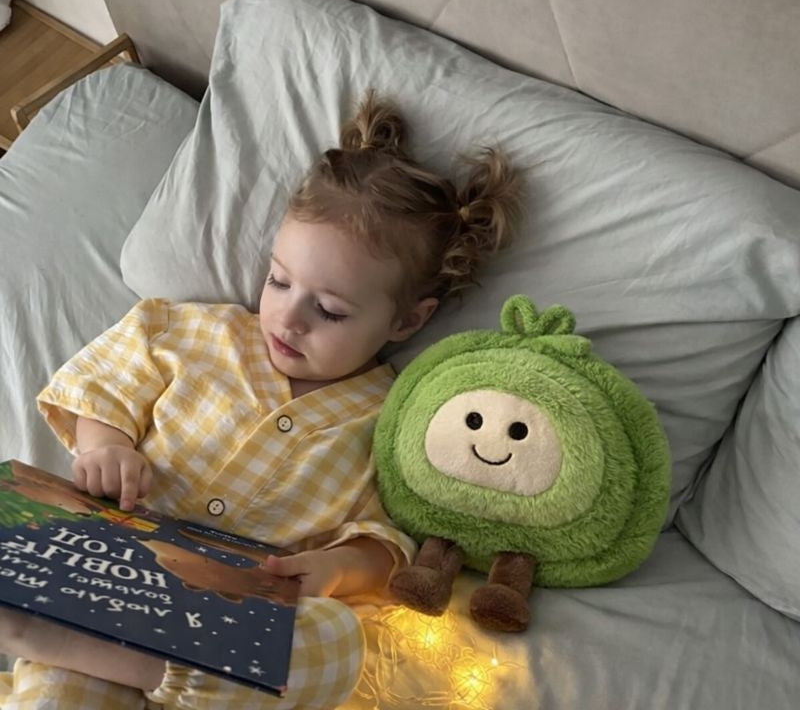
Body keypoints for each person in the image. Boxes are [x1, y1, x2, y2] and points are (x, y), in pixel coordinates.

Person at [0, 90, 521, 710]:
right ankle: (72, 646)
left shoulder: (395, 420)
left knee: (338, 642)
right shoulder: (194, 332)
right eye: (278, 280)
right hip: (116, 592)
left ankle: (134, 665)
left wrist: (340, 569)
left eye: (329, 311)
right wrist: (105, 446)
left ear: (407, 321)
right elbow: (104, 384)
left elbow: (384, 538)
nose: (288, 317)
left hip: (239, 631)